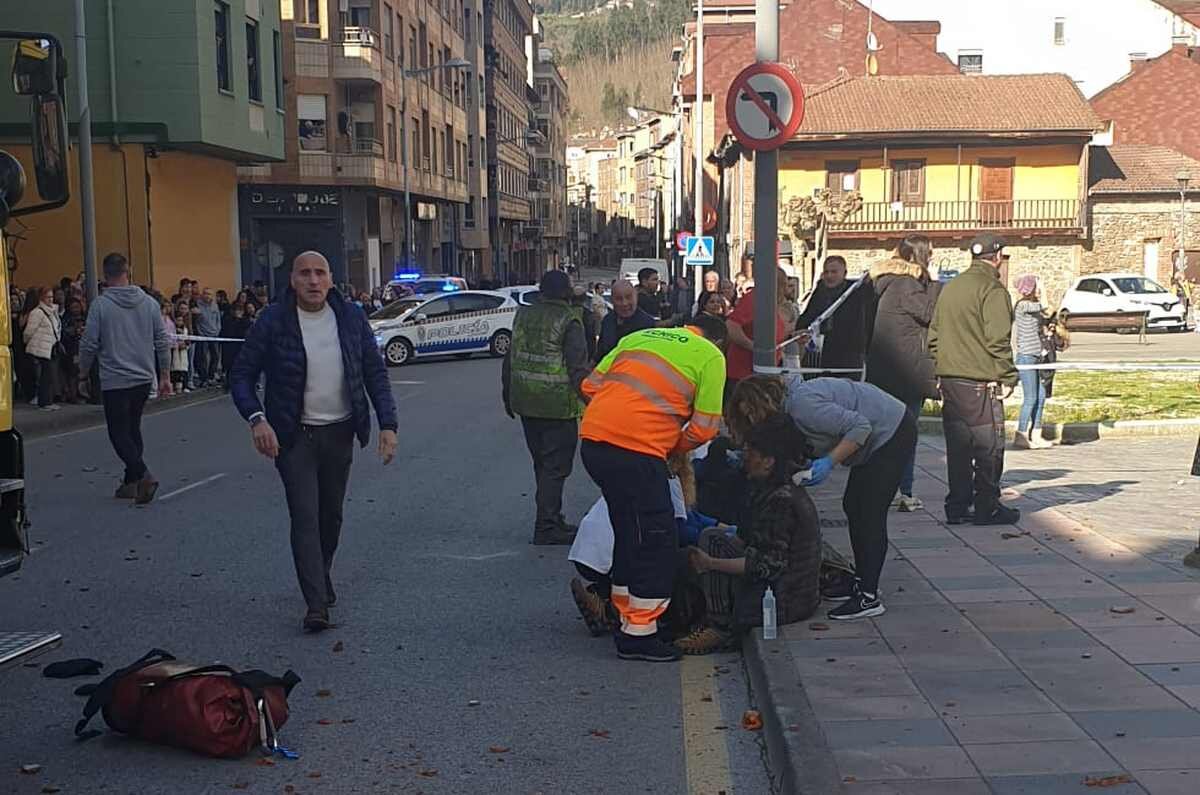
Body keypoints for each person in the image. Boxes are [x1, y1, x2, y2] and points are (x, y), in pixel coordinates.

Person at [231, 251, 399, 633]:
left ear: (330, 279)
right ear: (292, 280)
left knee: (330, 516)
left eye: (319, 273)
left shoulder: (351, 317)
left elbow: (375, 372)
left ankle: (319, 574)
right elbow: (241, 376)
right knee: (305, 516)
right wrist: (257, 420)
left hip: (339, 432)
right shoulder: (273, 321)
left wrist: (388, 424)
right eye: (304, 273)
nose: (312, 280)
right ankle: (316, 604)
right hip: (293, 437)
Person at [578, 315, 728, 662]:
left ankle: (625, 616)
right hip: (639, 451)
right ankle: (639, 635)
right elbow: (705, 428)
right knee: (656, 540)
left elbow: (589, 387)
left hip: (595, 443)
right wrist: (672, 443)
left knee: (629, 531)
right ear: (716, 340)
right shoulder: (710, 356)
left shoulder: (639, 337)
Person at [725, 375, 914, 621]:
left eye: (751, 413)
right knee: (854, 506)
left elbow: (861, 427)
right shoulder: (792, 408)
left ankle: (868, 596)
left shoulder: (803, 405)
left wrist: (828, 463)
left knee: (868, 512)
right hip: (883, 429)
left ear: (762, 401)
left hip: (892, 431)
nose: (752, 420)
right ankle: (861, 582)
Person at [676, 412, 822, 654]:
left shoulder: (782, 500)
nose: (745, 458)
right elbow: (747, 537)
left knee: (712, 546)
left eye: (751, 453)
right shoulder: (769, 488)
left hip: (785, 600)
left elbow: (766, 565)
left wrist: (711, 563)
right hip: (786, 588)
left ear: (768, 461)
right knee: (712, 537)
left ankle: (721, 628)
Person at [928, 233, 1020, 526]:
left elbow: (933, 337)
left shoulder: (951, 287)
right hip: (980, 383)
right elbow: (998, 340)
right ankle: (987, 506)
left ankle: (957, 506)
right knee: (988, 447)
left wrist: (943, 366)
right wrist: (1008, 375)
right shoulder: (992, 289)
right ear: (997, 257)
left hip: (950, 381)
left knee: (958, 448)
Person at [501, 270, 591, 546]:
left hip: (526, 402)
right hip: (557, 406)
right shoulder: (570, 320)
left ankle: (552, 516)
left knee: (541, 463)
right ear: (566, 293)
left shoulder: (523, 315)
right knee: (556, 467)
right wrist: (593, 402)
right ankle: (547, 525)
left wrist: (508, 395)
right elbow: (578, 369)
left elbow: (510, 360)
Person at [79, 253, 172, 503]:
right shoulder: (150, 303)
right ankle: (130, 483)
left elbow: (89, 343)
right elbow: (162, 341)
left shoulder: (100, 305)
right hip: (143, 377)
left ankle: (143, 474)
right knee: (133, 428)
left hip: (115, 378)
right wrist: (165, 375)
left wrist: (83, 371)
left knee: (119, 433)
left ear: (105, 275)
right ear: (128, 271)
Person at [866, 235, 942, 512]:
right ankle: (902, 490)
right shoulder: (907, 284)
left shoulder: (882, 282)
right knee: (905, 433)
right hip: (906, 371)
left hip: (882, 369)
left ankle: (882, 487)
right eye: (930, 252)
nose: (932, 257)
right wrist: (934, 285)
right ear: (919, 255)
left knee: (882, 431)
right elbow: (931, 312)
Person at [796, 256, 870, 373]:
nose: (829, 276)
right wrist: (800, 329)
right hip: (820, 353)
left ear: (844, 273)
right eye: (826, 272)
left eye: (834, 272)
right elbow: (809, 315)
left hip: (848, 353)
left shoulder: (856, 292)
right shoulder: (820, 291)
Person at [724, 266, 788, 396]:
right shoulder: (755, 298)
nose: (786, 290)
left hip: (764, 374)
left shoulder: (773, 303)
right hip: (745, 376)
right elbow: (731, 326)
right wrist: (753, 346)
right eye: (783, 285)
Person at [1012, 274, 1053, 450]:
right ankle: (1021, 434)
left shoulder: (1033, 307)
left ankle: (1036, 433)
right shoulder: (1023, 306)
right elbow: (1045, 307)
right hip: (1026, 357)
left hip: (1037, 356)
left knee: (1041, 396)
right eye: (1035, 287)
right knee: (1030, 397)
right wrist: (1043, 291)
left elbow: (1047, 314)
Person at [596, 280, 655, 361]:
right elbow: (600, 352)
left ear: (636, 297)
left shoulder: (647, 325)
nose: (624, 303)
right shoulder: (607, 320)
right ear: (612, 300)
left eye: (628, 297)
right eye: (619, 299)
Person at [23, 287, 62, 411]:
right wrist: (27, 342)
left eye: (51, 297)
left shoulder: (53, 311)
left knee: (49, 375)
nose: (50, 299)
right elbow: (29, 331)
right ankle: (44, 402)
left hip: (49, 346)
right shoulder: (37, 312)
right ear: (41, 298)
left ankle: (47, 401)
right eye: (47, 297)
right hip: (41, 347)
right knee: (46, 375)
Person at [220, 302, 253, 392]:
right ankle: (229, 384)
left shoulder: (246, 321)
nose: (237, 312)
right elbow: (225, 332)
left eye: (239, 311)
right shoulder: (227, 320)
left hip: (241, 347)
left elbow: (247, 333)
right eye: (235, 310)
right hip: (229, 347)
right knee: (229, 366)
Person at [193, 288, 222, 387]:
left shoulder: (215, 305)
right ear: (202, 294)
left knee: (216, 356)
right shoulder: (198, 305)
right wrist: (200, 332)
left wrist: (218, 330)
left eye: (209, 294)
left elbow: (218, 319)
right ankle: (204, 378)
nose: (207, 296)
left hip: (214, 334)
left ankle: (211, 376)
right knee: (203, 357)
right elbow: (196, 321)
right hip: (203, 335)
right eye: (205, 294)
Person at [59, 297, 86, 404]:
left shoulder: (85, 317)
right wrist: (74, 330)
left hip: (83, 347)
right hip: (72, 349)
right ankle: (73, 395)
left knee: (81, 373)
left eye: (77, 307)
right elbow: (64, 334)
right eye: (73, 307)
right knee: (73, 373)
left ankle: (82, 393)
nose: (76, 309)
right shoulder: (67, 319)